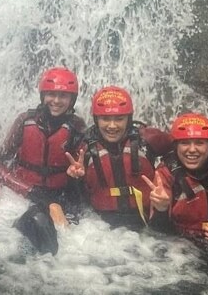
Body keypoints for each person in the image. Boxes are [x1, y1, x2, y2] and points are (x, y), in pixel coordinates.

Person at [0, 67, 86, 254]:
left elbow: (80, 171)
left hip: (62, 196)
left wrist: (75, 176)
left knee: (67, 241)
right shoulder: (25, 121)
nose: (56, 101)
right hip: (25, 194)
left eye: (63, 96)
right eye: (51, 94)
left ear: (72, 100)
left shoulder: (77, 127)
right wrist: (30, 191)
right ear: (43, 96)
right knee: (35, 224)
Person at [66, 86, 171, 230]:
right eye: (105, 119)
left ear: (129, 119)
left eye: (119, 119)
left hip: (147, 225)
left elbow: (181, 151)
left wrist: (165, 177)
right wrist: (75, 179)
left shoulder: (148, 140)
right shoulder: (83, 148)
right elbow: (75, 201)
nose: (112, 126)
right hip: (100, 229)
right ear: (96, 120)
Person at [145, 113, 208, 238]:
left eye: (199, 143)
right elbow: (157, 233)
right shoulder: (166, 173)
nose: (192, 149)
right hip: (183, 245)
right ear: (176, 147)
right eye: (185, 143)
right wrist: (161, 209)